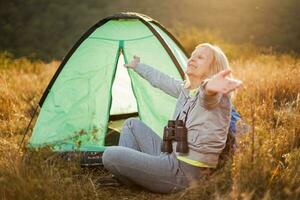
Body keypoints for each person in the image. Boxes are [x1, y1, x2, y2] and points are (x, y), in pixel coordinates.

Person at [100, 43, 243, 193]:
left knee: (109, 155)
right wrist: (138, 66)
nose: (192, 59)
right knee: (131, 124)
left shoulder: (216, 97)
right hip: (170, 155)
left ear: (214, 70)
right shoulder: (187, 90)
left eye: (200, 57)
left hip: (184, 173)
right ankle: (131, 176)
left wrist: (210, 87)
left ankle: (131, 176)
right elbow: (161, 80)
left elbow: (208, 97)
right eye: (192, 55)